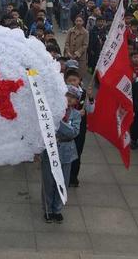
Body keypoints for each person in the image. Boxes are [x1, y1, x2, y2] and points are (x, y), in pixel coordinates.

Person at [40, 85, 81, 223]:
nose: (69, 99)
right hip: (50, 150)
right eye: (67, 95)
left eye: (73, 97)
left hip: (66, 152)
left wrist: (59, 122)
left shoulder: (75, 115)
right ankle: (48, 209)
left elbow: (74, 132)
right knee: (48, 181)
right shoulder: (51, 111)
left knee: (62, 181)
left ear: (76, 101)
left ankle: (57, 209)